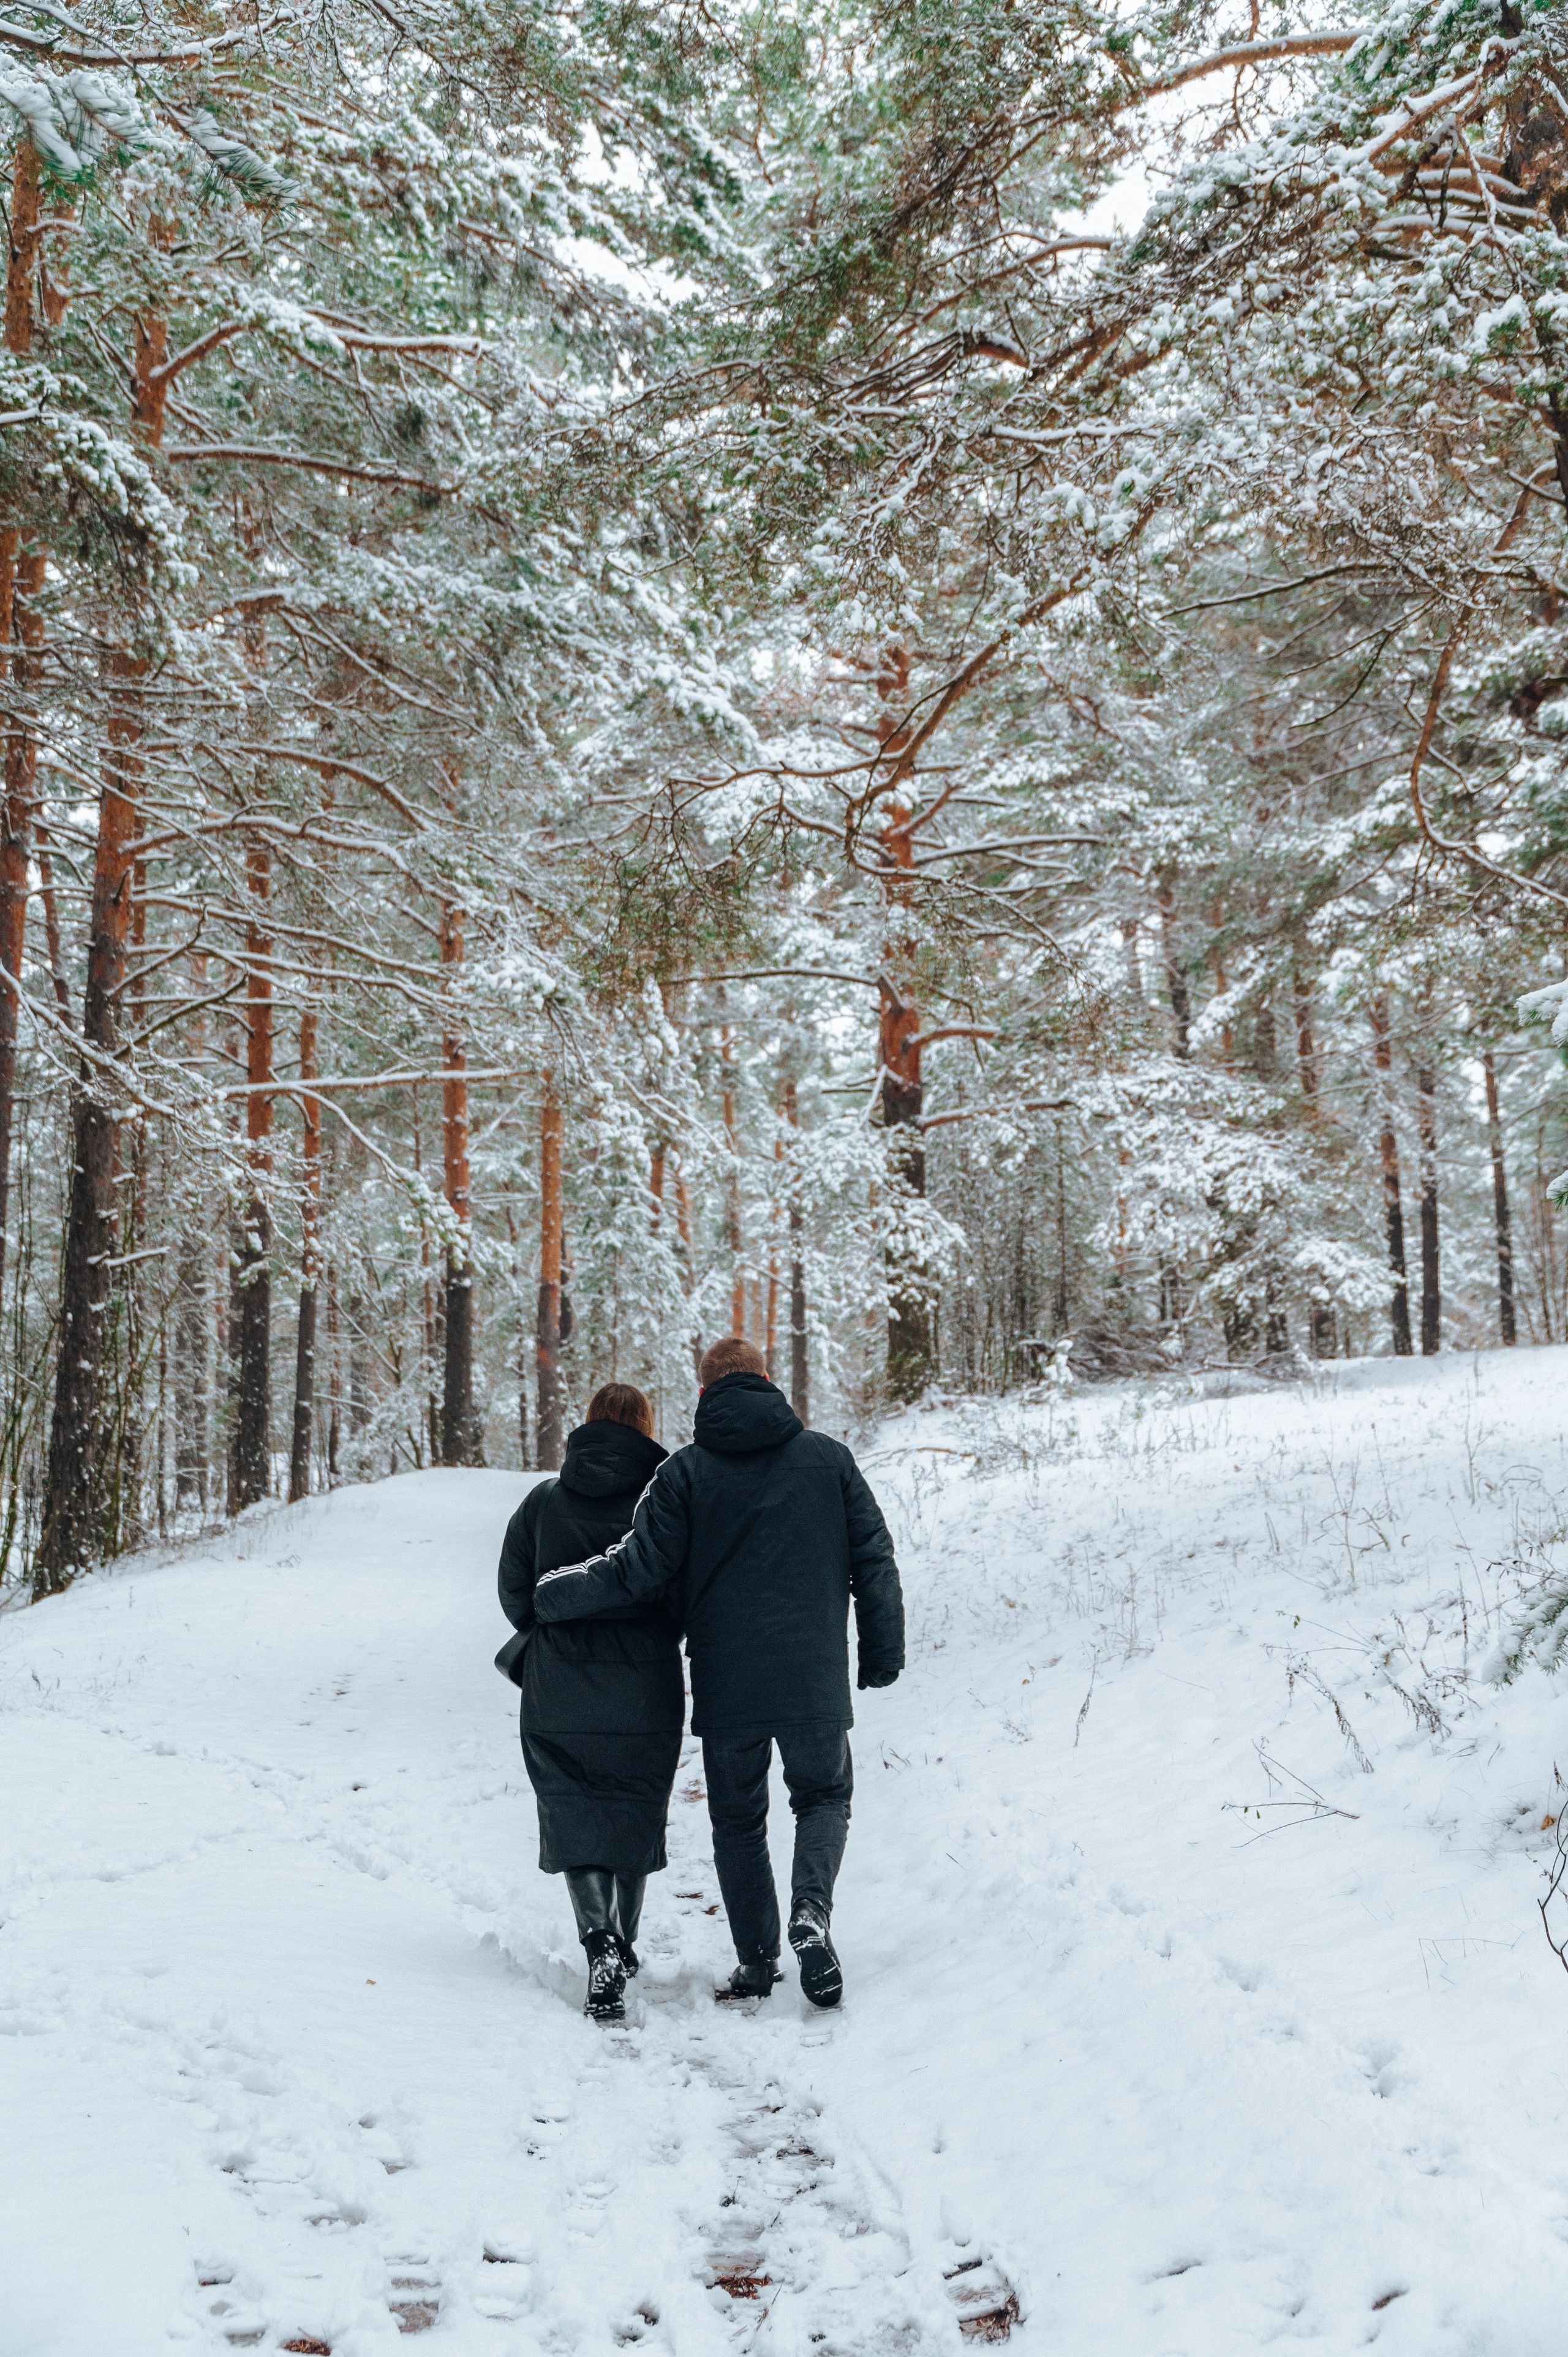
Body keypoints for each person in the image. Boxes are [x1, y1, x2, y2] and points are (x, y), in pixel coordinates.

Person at [532, 1337, 905, 2010]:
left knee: (738, 1822)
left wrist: (555, 1592)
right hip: (813, 1670)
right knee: (822, 1797)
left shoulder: (684, 1474)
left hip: (727, 1679)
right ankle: (811, 1915)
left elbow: (636, 1567)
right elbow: (873, 1559)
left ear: (703, 1393)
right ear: (767, 1379)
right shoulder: (828, 1459)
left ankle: (758, 1960)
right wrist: (881, 1652)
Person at [497, 1381, 682, 2024]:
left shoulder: (544, 1502)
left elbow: (514, 1591)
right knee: (634, 1805)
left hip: (560, 1679)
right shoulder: (663, 1502)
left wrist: (558, 1626)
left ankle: (598, 1941)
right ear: (645, 1426)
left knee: (573, 1805)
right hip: (646, 1680)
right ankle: (622, 1944)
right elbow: (683, 1591)